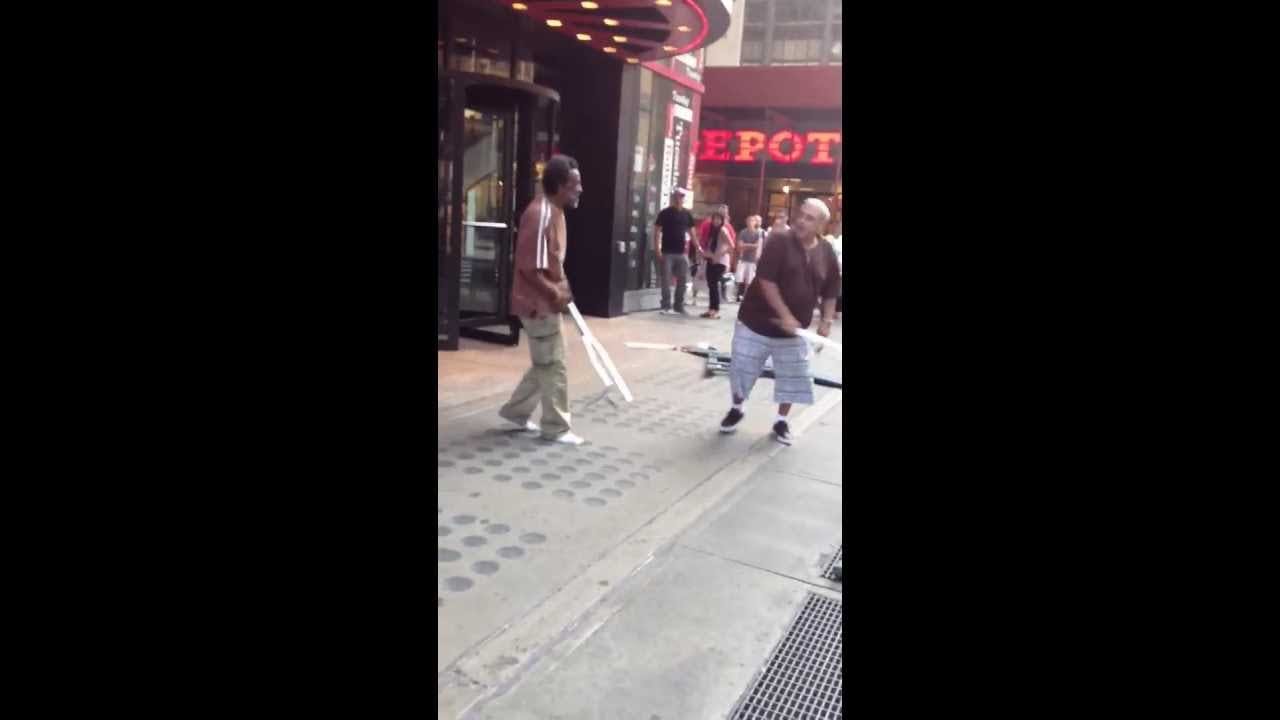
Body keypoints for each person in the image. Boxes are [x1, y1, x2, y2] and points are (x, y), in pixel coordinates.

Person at [718, 198, 841, 445]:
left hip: (795, 332)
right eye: (801, 215)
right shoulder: (779, 241)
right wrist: (785, 314)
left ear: (821, 225)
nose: (801, 221)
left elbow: (831, 289)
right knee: (742, 369)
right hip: (756, 322)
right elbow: (766, 281)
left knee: (795, 376)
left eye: (809, 218)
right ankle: (737, 407)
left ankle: (781, 421)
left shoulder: (826, 251)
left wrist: (826, 319)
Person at [499, 155, 586, 445]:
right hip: (538, 304)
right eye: (575, 184)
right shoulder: (542, 214)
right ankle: (556, 427)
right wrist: (557, 293)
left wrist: (562, 288)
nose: (580, 190)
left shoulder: (555, 212)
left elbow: (550, 263)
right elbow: (530, 268)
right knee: (554, 364)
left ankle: (516, 412)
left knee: (545, 362)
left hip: (545, 301)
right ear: (560, 185)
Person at [653, 190, 696, 316]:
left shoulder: (687, 214)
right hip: (667, 252)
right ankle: (666, 305)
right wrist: (657, 249)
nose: (679, 199)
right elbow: (657, 232)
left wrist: (698, 248)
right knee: (666, 281)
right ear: (673, 198)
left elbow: (692, 233)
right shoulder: (665, 213)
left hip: (681, 253)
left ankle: (678, 306)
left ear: (683, 199)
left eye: (681, 197)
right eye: (677, 197)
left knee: (682, 281)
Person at [698, 209, 733, 319]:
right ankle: (711, 309)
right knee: (711, 285)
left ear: (722, 220)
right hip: (711, 260)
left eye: (719, 219)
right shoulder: (713, 231)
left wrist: (718, 255)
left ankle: (715, 310)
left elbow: (731, 245)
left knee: (713, 285)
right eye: (714, 218)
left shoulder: (723, 230)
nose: (716, 221)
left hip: (720, 261)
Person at [735, 214, 764, 302]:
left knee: (749, 279)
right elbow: (740, 245)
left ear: (755, 223)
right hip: (743, 258)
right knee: (739, 277)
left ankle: (745, 296)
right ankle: (737, 294)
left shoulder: (758, 233)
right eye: (748, 221)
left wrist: (745, 245)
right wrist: (749, 245)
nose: (750, 222)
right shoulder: (743, 232)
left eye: (752, 221)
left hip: (752, 259)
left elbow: (757, 246)